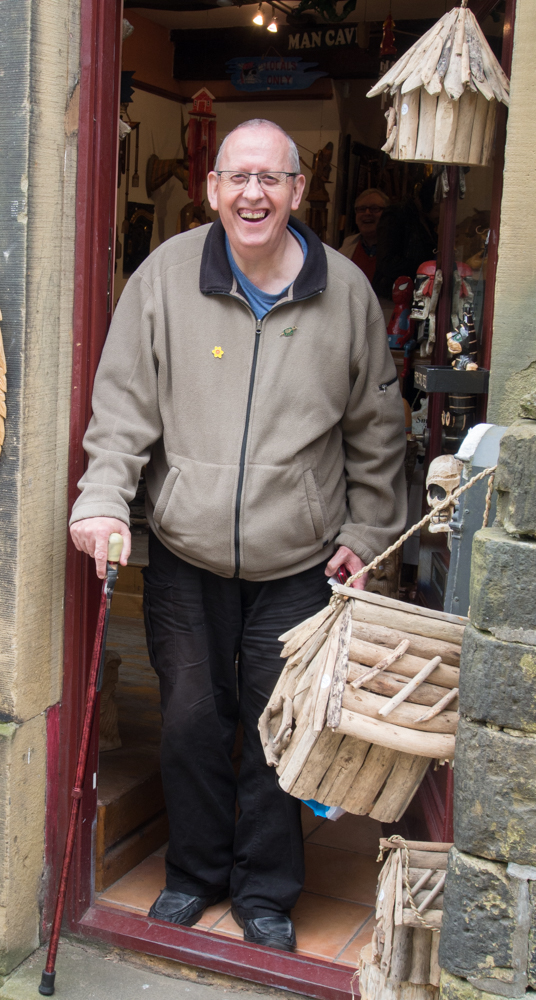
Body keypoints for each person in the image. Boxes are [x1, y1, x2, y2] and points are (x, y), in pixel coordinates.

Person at [70, 119, 407, 953]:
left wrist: (368, 530)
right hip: (185, 551)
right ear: (213, 188)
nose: (253, 193)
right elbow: (121, 406)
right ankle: (194, 872)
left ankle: (265, 890)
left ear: (298, 191)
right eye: (238, 177)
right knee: (189, 719)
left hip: (299, 558)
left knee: (275, 727)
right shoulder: (164, 276)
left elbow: (376, 429)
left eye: (271, 178)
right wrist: (102, 499)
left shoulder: (346, 293)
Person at [339, 188, 390, 283]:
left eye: (374, 208)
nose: (367, 213)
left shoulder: (397, 247)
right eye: (362, 209)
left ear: (387, 214)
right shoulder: (347, 246)